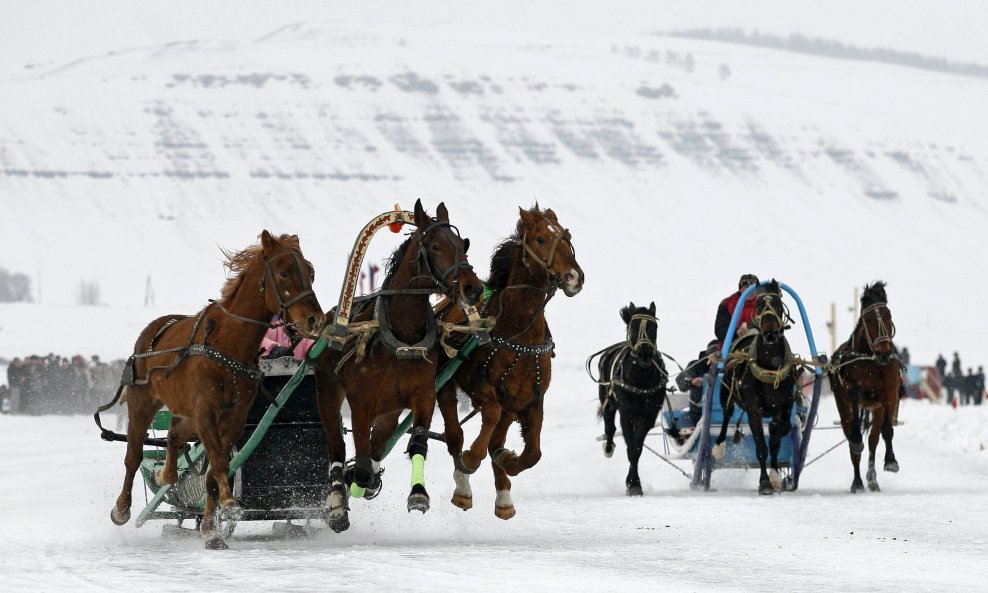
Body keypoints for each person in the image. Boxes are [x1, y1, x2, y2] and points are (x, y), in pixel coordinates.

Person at [675, 339, 719, 425]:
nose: (717, 356)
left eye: (720, 354)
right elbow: (681, 380)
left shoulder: (730, 366)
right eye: (714, 353)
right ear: (708, 354)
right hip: (697, 415)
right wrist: (692, 381)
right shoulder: (696, 365)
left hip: (726, 414)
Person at [714, 273, 760, 346]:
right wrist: (736, 332)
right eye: (747, 287)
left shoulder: (763, 303)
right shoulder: (727, 303)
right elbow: (720, 330)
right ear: (741, 288)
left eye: (753, 287)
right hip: (732, 346)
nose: (751, 290)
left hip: (758, 344)